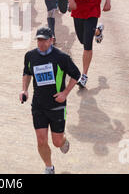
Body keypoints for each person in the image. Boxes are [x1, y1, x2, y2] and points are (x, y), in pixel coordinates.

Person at [20, 26, 80, 174]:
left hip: (57, 106)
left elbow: (76, 75)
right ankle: (49, 167)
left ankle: (63, 141)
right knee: (41, 140)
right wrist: (24, 90)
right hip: (39, 105)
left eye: (44, 40)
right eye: (39, 40)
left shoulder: (62, 58)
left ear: (51, 40)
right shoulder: (30, 56)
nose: (41, 44)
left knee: (56, 141)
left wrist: (65, 93)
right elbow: (27, 73)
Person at [58, 0, 111, 88]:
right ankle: (98, 31)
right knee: (82, 40)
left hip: (92, 12)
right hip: (77, 13)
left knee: (87, 45)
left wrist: (108, 1)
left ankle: (84, 75)